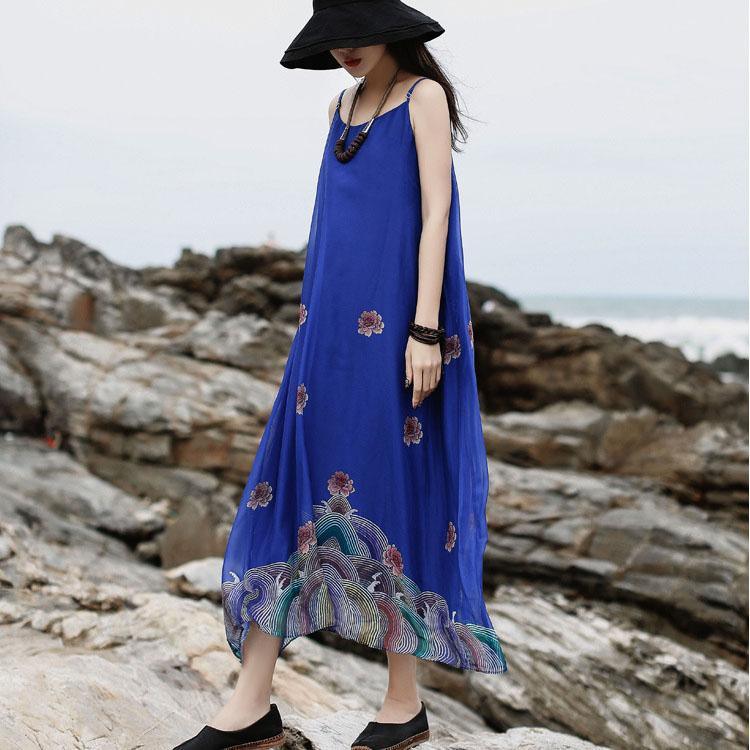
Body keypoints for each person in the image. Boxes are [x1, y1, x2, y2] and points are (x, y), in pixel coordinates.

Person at [173, 2, 507, 749]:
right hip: (324, 334)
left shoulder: (422, 97)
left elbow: (436, 215)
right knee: (286, 492)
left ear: (389, 26)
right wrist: (310, 324)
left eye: (353, 35)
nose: (343, 51)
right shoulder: (339, 108)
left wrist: (426, 330)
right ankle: (251, 703)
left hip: (399, 335)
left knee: (395, 489)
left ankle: (402, 703)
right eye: (333, 40)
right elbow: (329, 227)